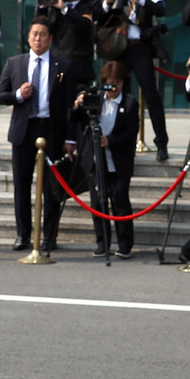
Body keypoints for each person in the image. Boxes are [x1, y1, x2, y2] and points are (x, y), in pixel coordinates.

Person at [0, 19, 74, 252]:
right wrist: (18, 95)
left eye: (43, 34)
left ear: (50, 39)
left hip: (51, 130)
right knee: (21, 185)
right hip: (24, 129)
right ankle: (23, 235)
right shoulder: (14, 63)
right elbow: (0, 95)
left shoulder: (63, 66)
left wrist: (71, 138)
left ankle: (49, 236)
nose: (38, 38)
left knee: (51, 187)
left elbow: (70, 105)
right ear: (28, 37)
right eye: (34, 34)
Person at [101, 0, 170, 161]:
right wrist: (107, 2)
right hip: (118, 49)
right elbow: (101, 17)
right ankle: (123, 141)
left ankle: (161, 143)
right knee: (120, 95)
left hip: (140, 48)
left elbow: (161, 8)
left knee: (151, 95)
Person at [74, 59, 139, 257]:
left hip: (118, 161)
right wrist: (78, 105)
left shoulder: (129, 103)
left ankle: (125, 245)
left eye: (117, 84)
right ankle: (103, 243)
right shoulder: (97, 98)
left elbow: (131, 133)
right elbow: (76, 120)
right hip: (96, 160)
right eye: (109, 83)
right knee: (97, 203)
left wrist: (109, 141)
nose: (113, 88)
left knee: (120, 202)